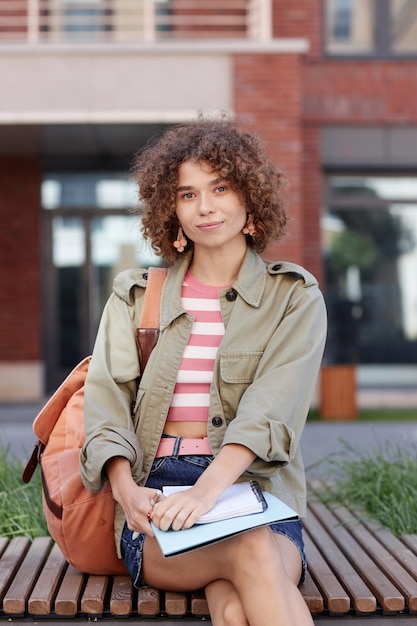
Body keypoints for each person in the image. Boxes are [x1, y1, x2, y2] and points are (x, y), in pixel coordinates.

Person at [80, 117, 327, 626]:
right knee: (253, 557)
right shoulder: (135, 297)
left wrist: (205, 493)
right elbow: (105, 404)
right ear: (170, 210)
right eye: (187, 194)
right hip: (155, 492)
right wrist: (127, 494)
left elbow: (271, 409)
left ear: (249, 199)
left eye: (219, 187)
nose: (205, 206)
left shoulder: (293, 297)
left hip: (256, 491)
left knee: (236, 597)